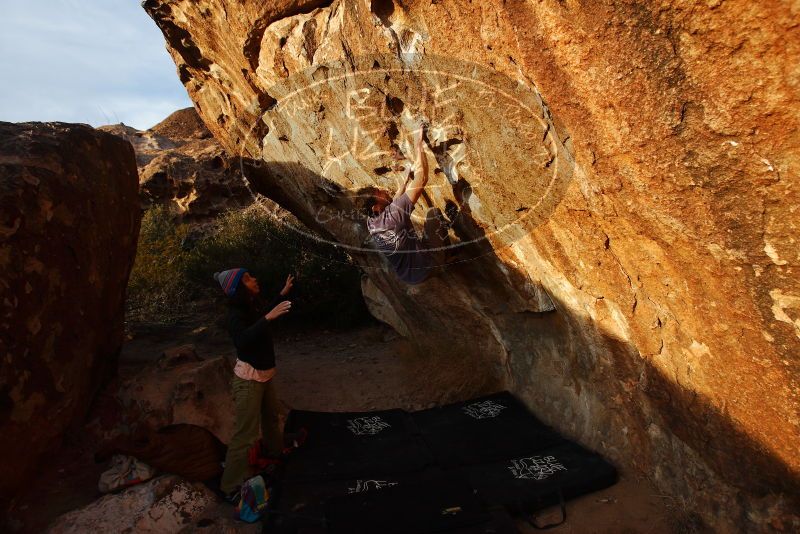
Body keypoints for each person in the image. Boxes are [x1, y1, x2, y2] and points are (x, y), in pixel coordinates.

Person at [212, 267, 294, 500]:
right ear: (238, 288)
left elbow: (262, 317)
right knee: (245, 434)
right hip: (249, 379)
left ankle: (276, 456)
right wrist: (268, 318)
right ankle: (229, 487)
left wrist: (281, 294)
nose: (254, 279)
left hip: (264, 374)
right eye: (247, 279)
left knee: (270, 418)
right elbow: (242, 340)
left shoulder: (250, 305)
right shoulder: (236, 314)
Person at [365, 125, 449, 284]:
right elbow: (422, 179)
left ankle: (437, 256)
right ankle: (446, 256)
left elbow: (395, 202)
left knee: (418, 236)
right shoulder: (393, 216)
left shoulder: (371, 223)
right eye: (379, 193)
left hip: (408, 277)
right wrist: (419, 145)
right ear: (375, 207)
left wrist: (404, 181)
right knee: (433, 215)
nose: (383, 191)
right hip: (428, 266)